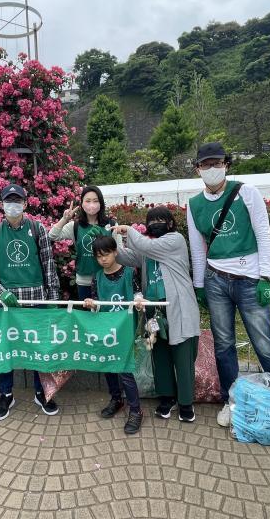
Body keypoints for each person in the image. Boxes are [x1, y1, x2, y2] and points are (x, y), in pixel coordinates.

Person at [186, 142, 270, 429]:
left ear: (226, 164)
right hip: (215, 281)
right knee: (224, 345)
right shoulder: (194, 205)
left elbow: (263, 234)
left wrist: (267, 276)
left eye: (217, 163)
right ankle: (231, 400)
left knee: (264, 342)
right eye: (206, 164)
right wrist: (200, 284)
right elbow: (197, 249)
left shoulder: (245, 192)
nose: (212, 169)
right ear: (197, 169)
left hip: (250, 279)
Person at [0, 183, 60, 421]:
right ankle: (6, 394)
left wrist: (53, 299)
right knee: (5, 348)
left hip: (36, 300)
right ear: (2, 205)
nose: (12, 205)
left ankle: (41, 392)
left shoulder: (38, 230)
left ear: (25, 204)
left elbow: (48, 266)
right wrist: (0, 292)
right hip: (6, 303)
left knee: (38, 348)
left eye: (17, 200)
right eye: (8, 201)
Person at [113, 207, 200, 423]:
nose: (157, 223)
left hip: (178, 307)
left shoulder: (175, 240)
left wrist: (128, 230)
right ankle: (167, 397)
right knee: (159, 354)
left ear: (171, 223)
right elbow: (124, 256)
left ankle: (186, 402)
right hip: (154, 309)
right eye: (152, 220)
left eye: (162, 219)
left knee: (182, 356)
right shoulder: (147, 250)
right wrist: (113, 236)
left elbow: (144, 244)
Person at [82, 235, 145, 435]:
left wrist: (139, 301)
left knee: (125, 370)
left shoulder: (129, 273)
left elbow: (137, 293)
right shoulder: (97, 277)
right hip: (106, 329)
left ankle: (135, 410)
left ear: (115, 251)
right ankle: (116, 399)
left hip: (124, 329)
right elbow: (96, 302)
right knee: (108, 365)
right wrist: (91, 305)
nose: (103, 259)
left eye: (107, 254)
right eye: (99, 256)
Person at [49, 186, 118, 300]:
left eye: (95, 201)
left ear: (101, 203)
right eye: (88, 201)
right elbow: (52, 235)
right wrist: (65, 219)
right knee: (87, 315)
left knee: (107, 315)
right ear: (82, 203)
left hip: (108, 278)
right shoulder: (75, 226)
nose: (92, 204)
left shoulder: (111, 224)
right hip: (84, 280)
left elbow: (118, 251)